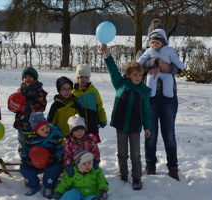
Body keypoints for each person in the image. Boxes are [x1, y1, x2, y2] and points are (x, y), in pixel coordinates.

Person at [100, 44, 151, 190]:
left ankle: (136, 178)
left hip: (135, 127)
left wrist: (148, 127)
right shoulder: (120, 84)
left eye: (140, 75)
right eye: (135, 75)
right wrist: (106, 52)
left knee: (135, 154)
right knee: (122, 152)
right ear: (128, 75)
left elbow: (146, 111)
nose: (138, 77)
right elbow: (112, 70)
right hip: (121, 125)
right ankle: (123, 174)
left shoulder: (143, 91)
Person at [136, 19, 181, 181]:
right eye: (152, 37)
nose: (155, 41)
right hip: (149, 99)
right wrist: (155, 62)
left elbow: (177, 68)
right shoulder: (143, 52)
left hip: (169, 99)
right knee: (150, 133)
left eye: (158, 36)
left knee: (169, 134)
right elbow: (138, 68)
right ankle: (150, 167)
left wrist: (160, 67)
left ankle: (173, 167)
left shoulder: (169, 50)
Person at [19, 112, 63, 199]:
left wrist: (56, 158)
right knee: (24, 167)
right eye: (42, 129)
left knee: (55, 168)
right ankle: (34, 186)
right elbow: (25, 150)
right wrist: (26, 158)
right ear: (35, 131)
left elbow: (60, 149)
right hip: (35, 161)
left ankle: (48, 187)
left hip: (50, 161)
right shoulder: (31, 138)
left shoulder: (55, 136)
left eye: (47, 127)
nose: (46, 130)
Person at [137, 28, 185, 98]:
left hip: (166, 72)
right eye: (152, 42)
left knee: (169, 79)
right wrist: (137, 65)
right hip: (153, 72)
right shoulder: (149, 51)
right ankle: (150, 93)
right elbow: (142, 59)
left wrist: (181, 65)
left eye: (157, 43)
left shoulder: (169, 50)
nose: (154, 44)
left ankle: (168, 93)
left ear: (162, 43)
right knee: (150, 77)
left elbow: (175, 59)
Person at [12, 67, 48, 152]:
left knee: (35, 144)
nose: (27, 78)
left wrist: (30, 108)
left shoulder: (38, 90)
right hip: (22, 123)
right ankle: (24, 160)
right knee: (23, 144)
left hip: (35, 124)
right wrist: (13, 107)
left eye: (30, 76)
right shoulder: (20, 91)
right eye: (25, 77)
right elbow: (15, 103)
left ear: (34, 78)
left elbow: (42, 107)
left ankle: (35, 160)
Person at [72, 64, 107, 143]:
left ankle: (93, 154)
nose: (84, 79)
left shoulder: (93, 91)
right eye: (81, 77)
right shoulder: (74, 92)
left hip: (92, 123)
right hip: (79, 124)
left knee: (92, 143)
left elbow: (99, 105)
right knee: (79, 143)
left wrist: (102, 118)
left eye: (86, 77)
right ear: (77, 78)